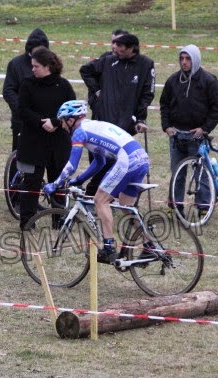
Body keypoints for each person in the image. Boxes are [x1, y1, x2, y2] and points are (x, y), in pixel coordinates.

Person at [43, 99, 151, 264]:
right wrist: (79, 180)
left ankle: (109, 248)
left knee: (100, 200)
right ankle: (150, 245)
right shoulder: (91, 127)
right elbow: (99, 162)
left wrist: (55, 184)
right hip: (141, 158)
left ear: (71, 120)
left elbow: (71, 165)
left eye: (63, 121)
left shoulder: (80, 132)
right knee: (126, 206)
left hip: (127, 160)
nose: (62, 125)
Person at [79, 33, 155, 196]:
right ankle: (95, 194)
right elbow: (85, 70)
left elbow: (147, 93)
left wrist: (140, 118)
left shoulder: (146, 64)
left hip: (126, 123)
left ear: (131, 48)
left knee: (119, 162)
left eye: (119, 46)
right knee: (102, 162)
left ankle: (104, 195)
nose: (115, 48)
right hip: (105, 120)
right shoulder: (108, 60)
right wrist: (97, 93)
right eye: (114, 44)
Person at [160, 44, 218, 215]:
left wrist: (204, 128)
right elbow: (164, 104)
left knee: (201, 172)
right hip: (177, 135)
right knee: (177, 173)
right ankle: (176, 206)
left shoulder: (209, 82)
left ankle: (203, 206)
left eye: (188, 58)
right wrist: (166, 126)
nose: (184, 62)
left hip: (197, 136)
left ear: (195, 59)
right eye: (182, 58)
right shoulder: (173, 81)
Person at [16, 46, 76, 229]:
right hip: (33, 143)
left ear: (48, 66)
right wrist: (42, 122)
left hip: (58, 144)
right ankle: (27, 222)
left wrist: (55, 123)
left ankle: (59, 220)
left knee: (58, 182)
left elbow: (73, 111)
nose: (33, 69)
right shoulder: (27, 84)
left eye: (36, 66)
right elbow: (22, 110)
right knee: (31, 183)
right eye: (32, 66)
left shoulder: (63, 85)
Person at [2, 28, 50, 151]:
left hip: (44, 123)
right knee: (19, 157)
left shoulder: (50, 64)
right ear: (30, 48)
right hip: (21, 122)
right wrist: (22, 109)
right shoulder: (15, 64)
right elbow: (8, 91)